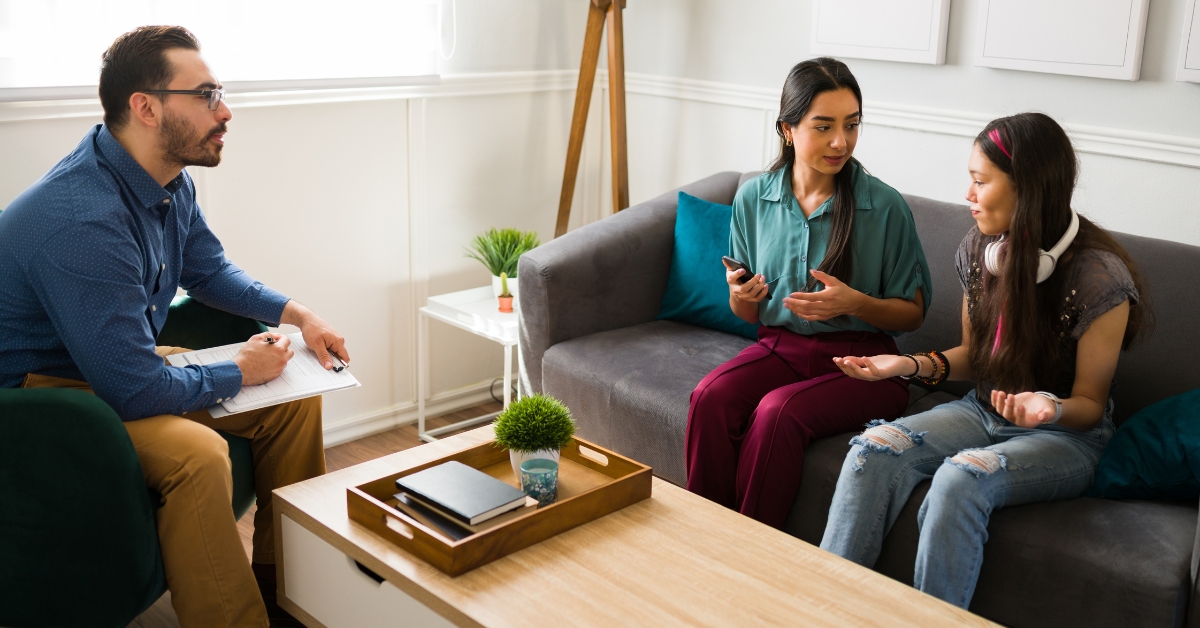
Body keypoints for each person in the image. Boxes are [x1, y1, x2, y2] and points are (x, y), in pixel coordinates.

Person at [0, 26, 349, 627]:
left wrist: (299, 316)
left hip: (108, 359)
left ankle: (292, 590)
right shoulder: (81, 219)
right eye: (207, 93)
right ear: (147, 107)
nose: (226, 111)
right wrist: (238, 369)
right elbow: (133, 389)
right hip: (42, 397)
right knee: (197, 454)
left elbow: (210, 272)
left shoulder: (166, 180)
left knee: (295, 401)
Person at [819, 112, 1150, 609]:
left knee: (960, 479)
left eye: (979, 181)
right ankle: (822, 610)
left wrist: (1049, 409)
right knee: (873, 449)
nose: (968, 196)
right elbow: (976, 358)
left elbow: (1087, 402)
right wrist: (904, 366)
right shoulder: (979, 250)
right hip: (982, 411)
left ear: (1028, 188)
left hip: (1067, 437)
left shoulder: (1100, 279)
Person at [684, 57, 933, 528]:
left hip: (865, 363)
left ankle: (753, 552)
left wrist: (854, 303)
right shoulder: (753, 198)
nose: (842, 141)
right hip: (780, 347)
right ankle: (706, 537)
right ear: (787, 129)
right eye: (824, 127)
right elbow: (746, 314)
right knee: (709, 397)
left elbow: (913, 315)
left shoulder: (885, 206)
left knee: (778, 413)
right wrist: (743, 294)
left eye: (852, 125)